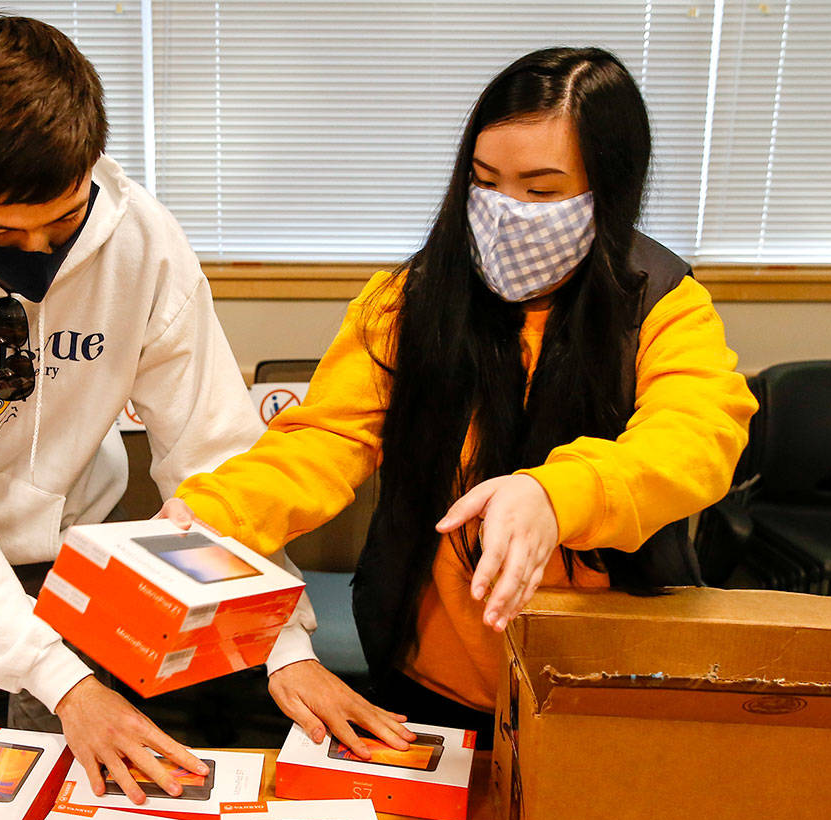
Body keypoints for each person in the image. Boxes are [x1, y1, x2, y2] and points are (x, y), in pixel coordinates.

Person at [0, 13, 402, 803]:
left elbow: (214, 452)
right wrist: (65, 683)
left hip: (82, 536)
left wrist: (282, 642)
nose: (39, 253)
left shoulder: (143, 244)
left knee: (82, 784)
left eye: (63, 220)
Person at [159, 47, 758, 747]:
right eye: (486, 183)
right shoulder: (406, 302)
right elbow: (325, 439)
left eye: (542, 192)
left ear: (610, 189)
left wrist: (555, 496)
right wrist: (215, 512)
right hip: (429, 673)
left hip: (594, 682)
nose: (508, 215)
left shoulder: (660, 304)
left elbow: (696, 436)